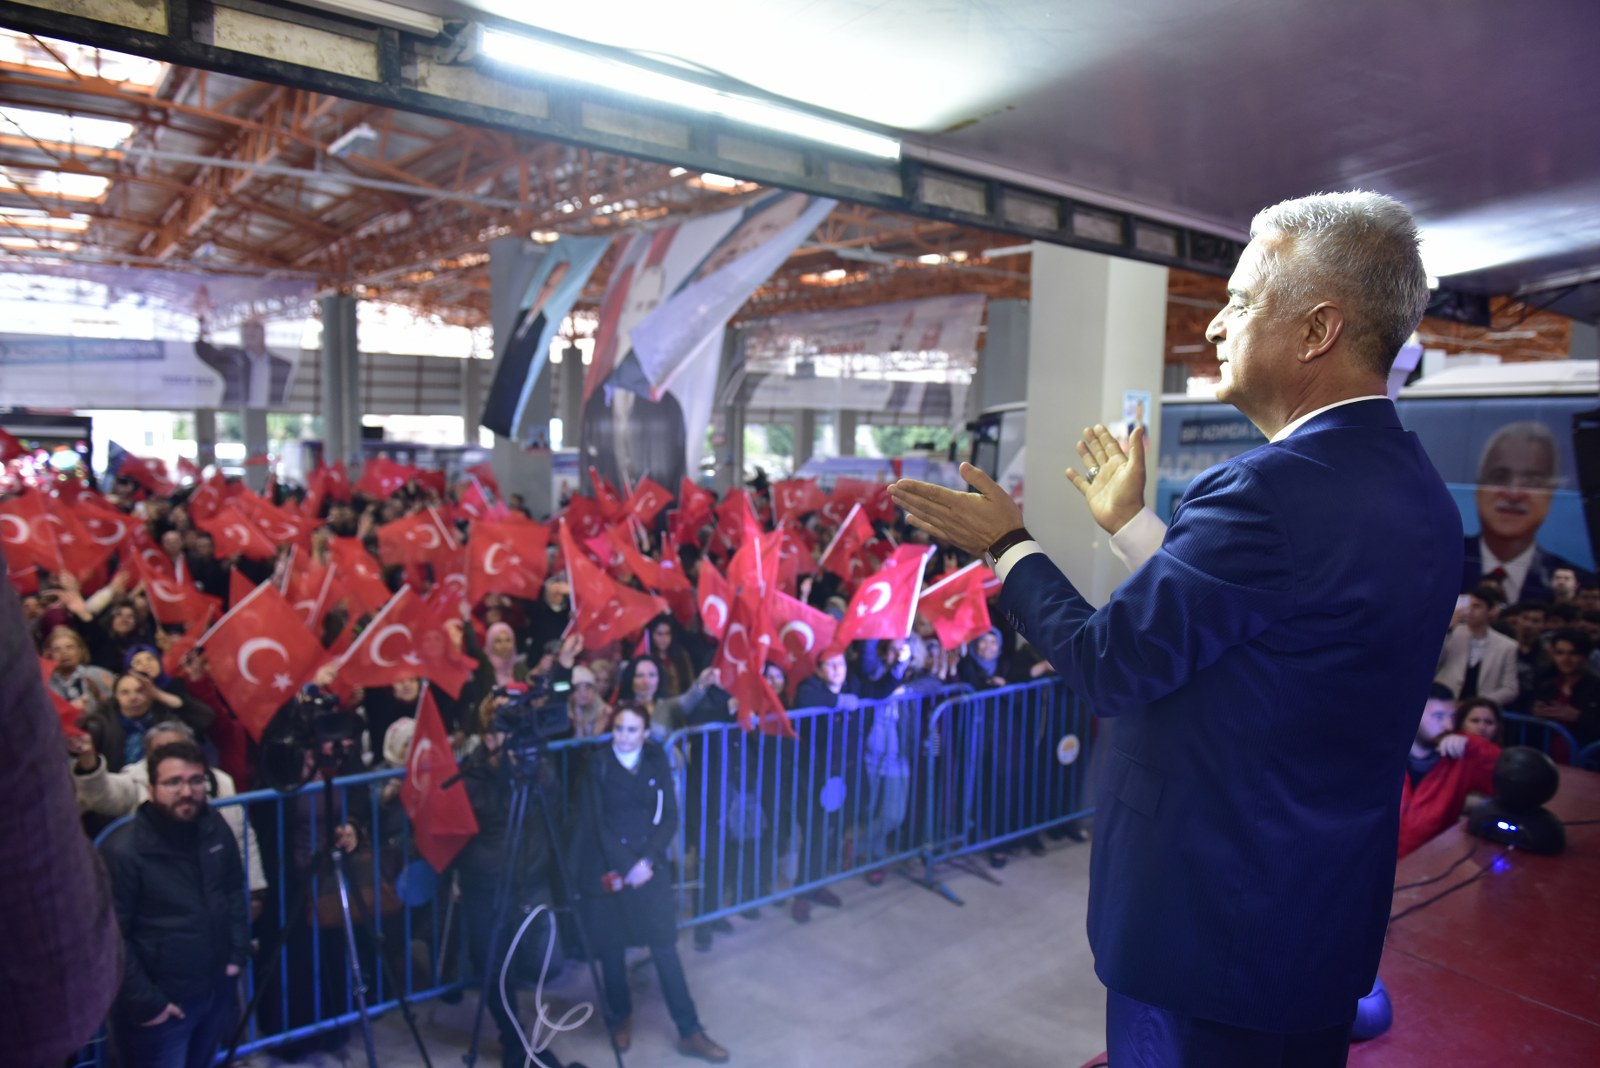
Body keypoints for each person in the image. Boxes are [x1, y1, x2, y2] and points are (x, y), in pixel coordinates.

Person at [892, 190, 1460, 1065]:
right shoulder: (1415, 488)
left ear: (1316, 331)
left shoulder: (1267, 492)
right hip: (1308, 929)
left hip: (1208, 937)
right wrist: (1132, 528)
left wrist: (1005, 544)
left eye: (1239, 301)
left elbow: (1109, 666)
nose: (1215, 327)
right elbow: (1268, 627)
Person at [569, 704, 729, 1063]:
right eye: (618, 729)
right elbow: (596, 824)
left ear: (645, 733)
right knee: (611, 951)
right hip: (609, 869)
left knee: (664, 949)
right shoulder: (598, 765)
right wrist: (628, 867)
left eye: (631, 730)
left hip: (649, 868)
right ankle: (619, 1017)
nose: (623, 737)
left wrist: (648, 861)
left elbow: (668, 816)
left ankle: (689, 1030)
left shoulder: (657, 761)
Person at [99, 739, 249, 1068]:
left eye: (196, 781)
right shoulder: (123, 851)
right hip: (160, 1008)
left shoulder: (215, 829)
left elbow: (234, 891)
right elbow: (112, 937)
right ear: (152, 789)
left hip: (212, 991)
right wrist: (147, 1004)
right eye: (173, 782)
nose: (187, 791)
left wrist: (235, 956)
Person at [1460, 421, 1593, 603]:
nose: (1514, 494)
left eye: (1533, 481)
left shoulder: (1583, 583)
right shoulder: (1443, 562)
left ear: (1551, 494)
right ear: (1478, 487)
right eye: (1500, 476)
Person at [1398, 685, 1500, 857]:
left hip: (1429, 864)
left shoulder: (1463, 753)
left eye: (1452, 717)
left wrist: (1471, 746)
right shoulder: (1383, 753)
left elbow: (1510, 776)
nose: (1448, 725)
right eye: (1438, 717)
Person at [1434, 585, 1520, 707]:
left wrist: (1478, 704)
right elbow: (1431, 664)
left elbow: (1510, 689)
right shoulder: (1451, 634)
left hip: (1479, 711)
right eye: (1468, 606)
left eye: (1477, 606)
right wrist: (1447, 630)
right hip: (1442, 704)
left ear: (1491, 610)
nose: (1470, 611)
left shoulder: (1508, 646)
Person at [194, 318, 295, 407]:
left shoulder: (282, 366)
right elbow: (205, 351)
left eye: (256, 326)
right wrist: (203, 321)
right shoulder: (232, 358)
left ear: (265, 331)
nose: (250, 331)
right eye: (246, 326)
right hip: (239, 420)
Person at [1530, 626, 1600, 748]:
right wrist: (1535, 711)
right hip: (1548, 755)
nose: (1565, 659)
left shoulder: (1596, 687)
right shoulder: (1546, 685)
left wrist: (1579, 717)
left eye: (1573, 653)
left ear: (1585, 656)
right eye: (1560, 653)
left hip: (1586, 761)